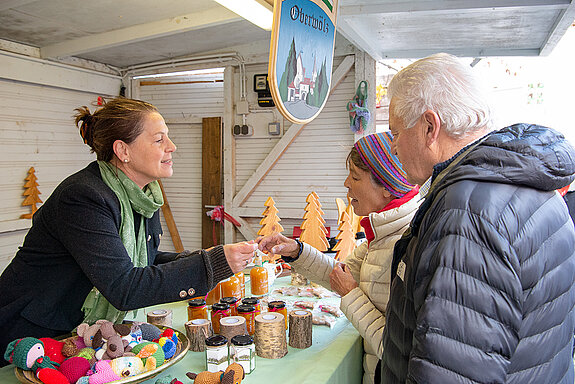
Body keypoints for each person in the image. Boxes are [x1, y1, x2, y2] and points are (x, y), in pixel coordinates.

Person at [0, 97, 256, 365]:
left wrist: (206, 256)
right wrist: (210, 265)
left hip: (78, 336)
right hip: (32, 338)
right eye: (159, 140)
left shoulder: (142, 196)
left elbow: (144, 258)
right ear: (123, 150)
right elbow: (124, 287)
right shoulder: (82, 197)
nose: (172, 147)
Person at [380, 53, 575, 383]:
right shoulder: (526, 184)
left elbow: (452, 371)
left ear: (430, 127)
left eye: (396, 133)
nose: (394, 147)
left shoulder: (466, 214)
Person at [258, 132, 421, 384]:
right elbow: (339, 273)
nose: (346, 183)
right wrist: (296, 251)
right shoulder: (381, 233)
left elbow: (399, 350)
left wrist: (351, 295)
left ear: (387, 188)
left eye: (355, 177)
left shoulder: (404, 243)